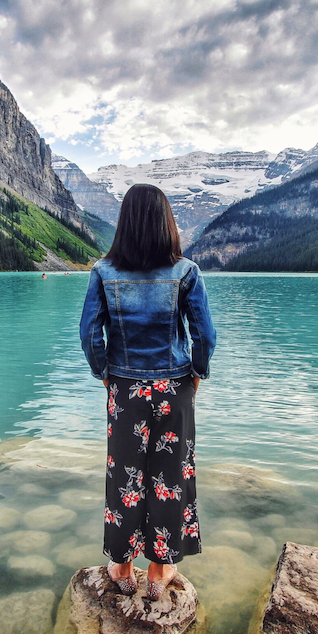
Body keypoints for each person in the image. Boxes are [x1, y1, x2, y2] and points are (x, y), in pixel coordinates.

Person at [79, 183, 216, 600]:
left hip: (125, 389)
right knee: (170, 476)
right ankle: (159, 572)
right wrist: (196, 373)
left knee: (125, 474)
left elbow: (89, 333)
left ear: (124, 224)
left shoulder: (104, 271)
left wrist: (105, 372)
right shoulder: (185, 271)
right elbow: (205, 334)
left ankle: (122, 567)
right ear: (165, 223)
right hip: (174, 389)